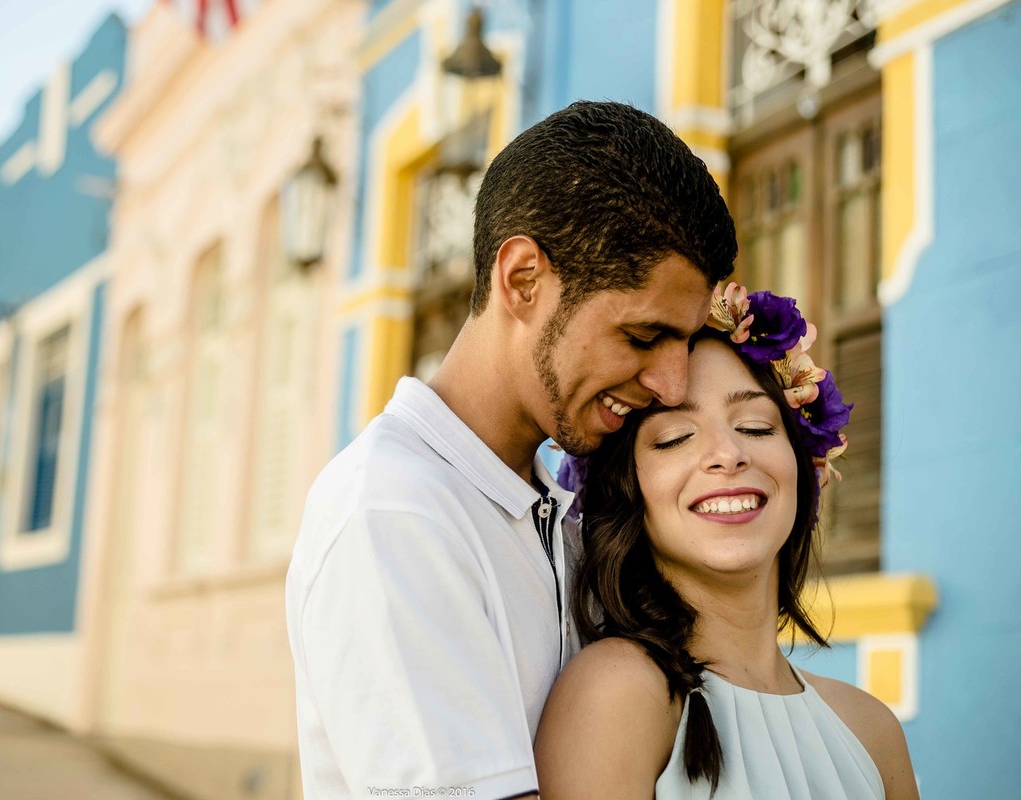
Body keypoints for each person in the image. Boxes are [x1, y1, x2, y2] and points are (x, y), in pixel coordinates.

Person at [285, 101, 737, 797]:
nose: (671, 384)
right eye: (644, 338)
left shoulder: (558, 510)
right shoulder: (396, 511)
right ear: (523, 279)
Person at [535, 284, 919, 799]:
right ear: (624, 492)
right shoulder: (617, 694)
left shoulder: (873, 731)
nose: (728, 453)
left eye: (757, 427)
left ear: (806, 471)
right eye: (674, 437)